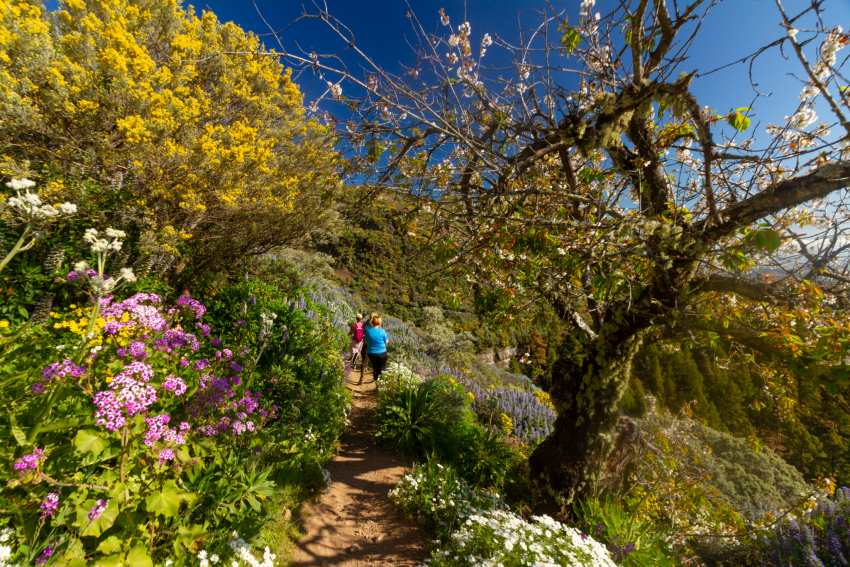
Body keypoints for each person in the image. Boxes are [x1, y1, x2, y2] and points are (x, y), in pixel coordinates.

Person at [364, 315, 389, 382]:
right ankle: (382, 384)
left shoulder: (368, 331)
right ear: (380, 322)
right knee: (383, 369)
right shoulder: (382, 331)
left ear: (372, 322)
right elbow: (386, 341)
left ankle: (376, 382)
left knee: (375, 368)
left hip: (371, 353)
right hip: (382, 352)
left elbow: (365, 341)